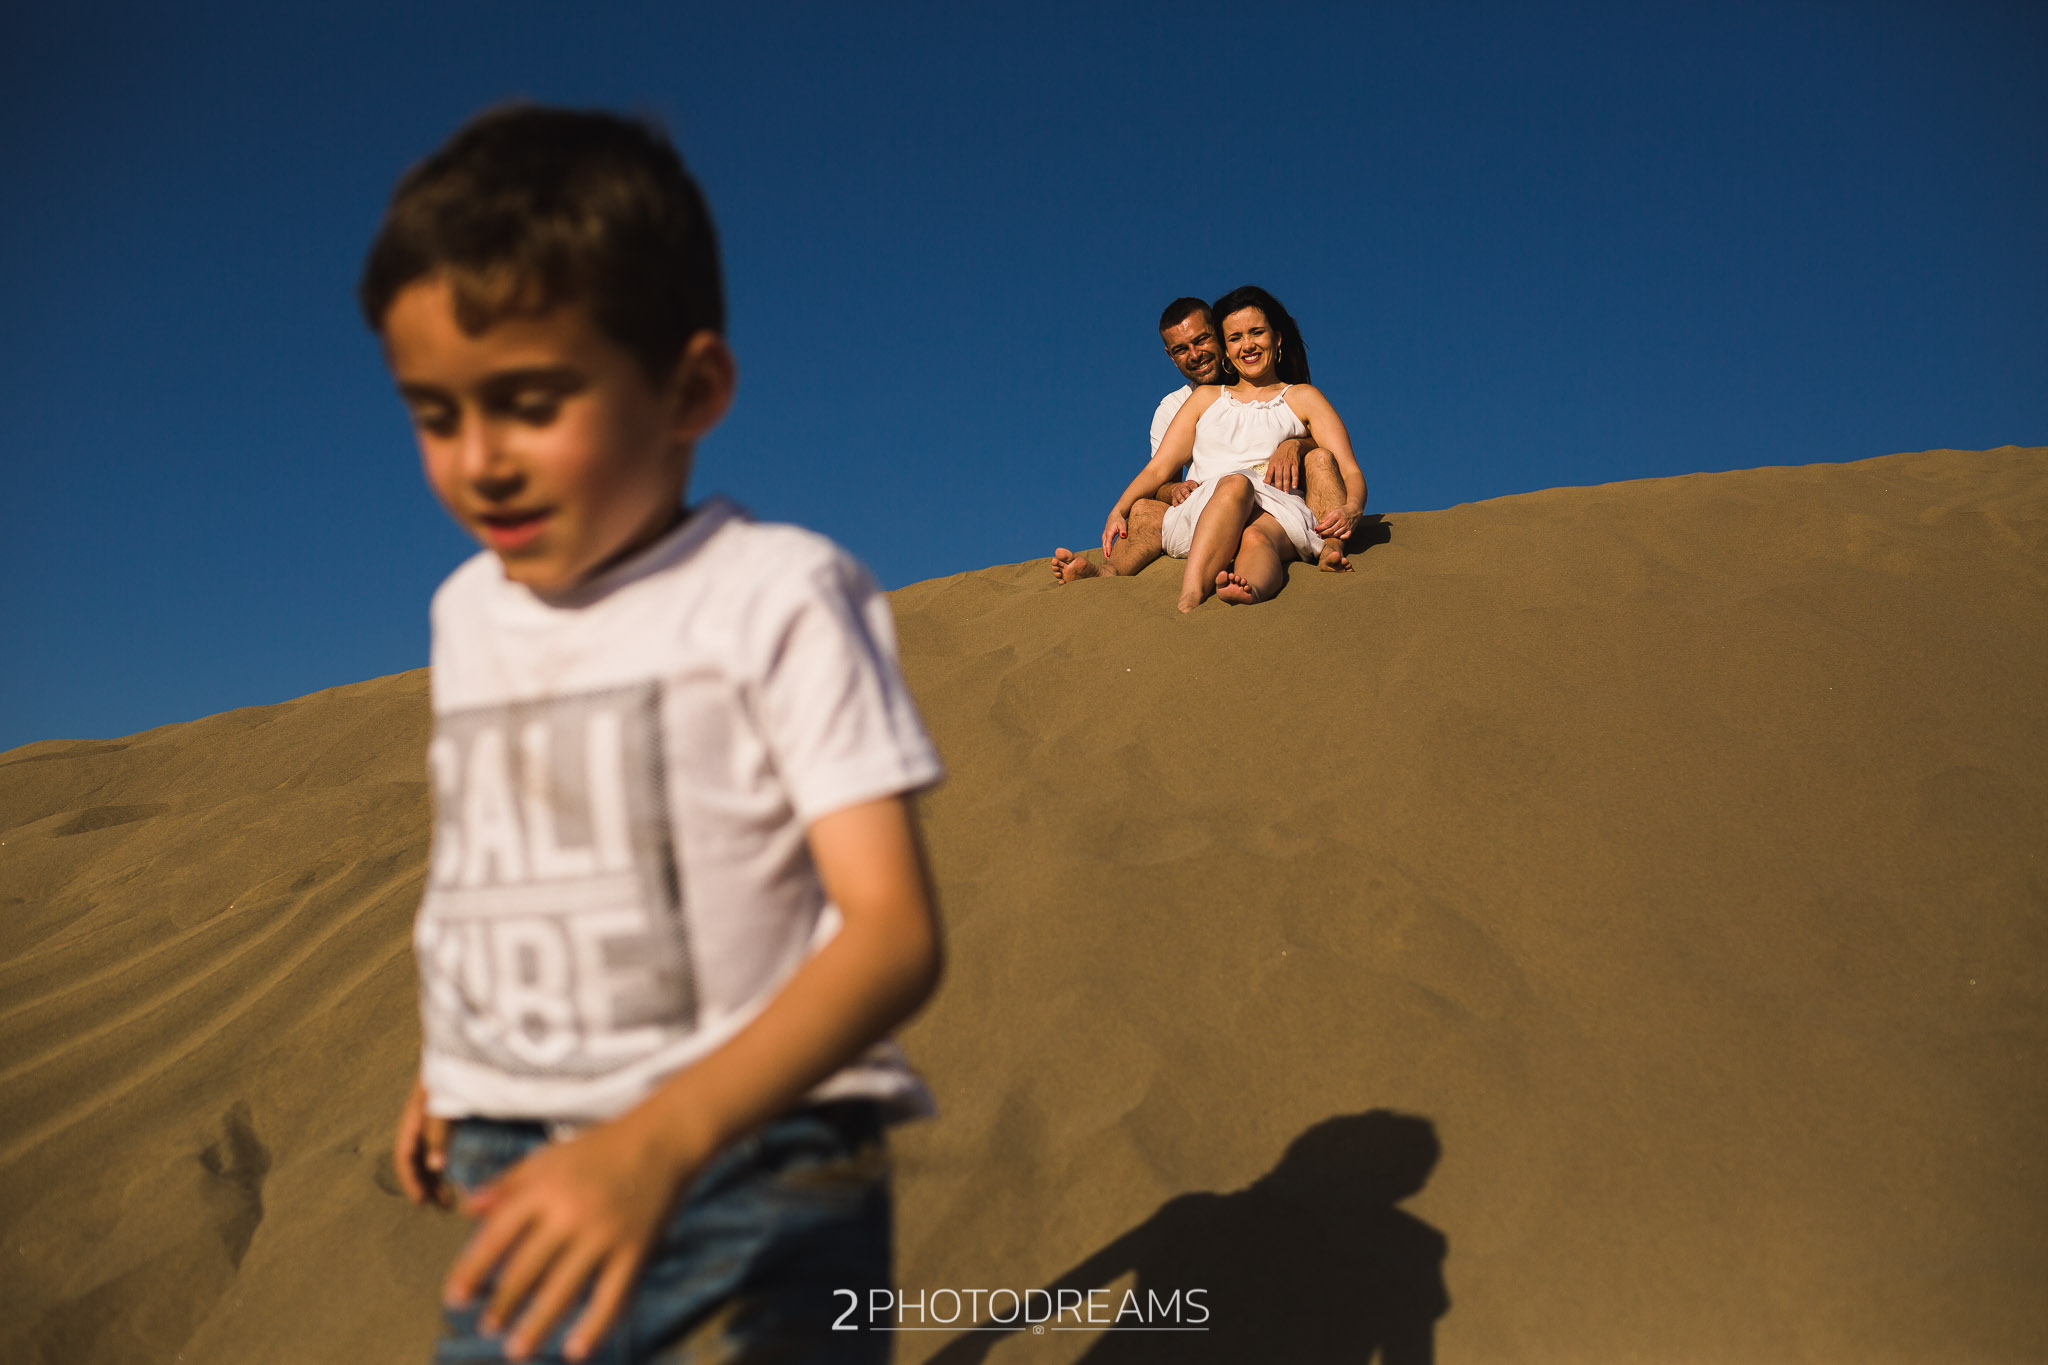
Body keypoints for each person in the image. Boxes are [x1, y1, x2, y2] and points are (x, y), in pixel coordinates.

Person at [363, 105, 944, 1364]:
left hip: (758, 1152)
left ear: (690, 390)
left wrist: (657, 1145)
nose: (478, 461)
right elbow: (491, 864)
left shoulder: (775, 595)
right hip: (518, 1154)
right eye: (434, 414)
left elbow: (893, 932)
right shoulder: (464, 612)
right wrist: (452, 1067)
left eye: (528, 403)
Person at [1052, 296, 1352, 584]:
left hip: (1272, 501)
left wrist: (1296, 444)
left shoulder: (1275, 385)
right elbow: (1160, 476)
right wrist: (1164, 494)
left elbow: (1328, 447)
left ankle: (1323, 549)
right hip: (1207, 502)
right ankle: (1108, 573)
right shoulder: (1175, 406)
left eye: (1201, 340)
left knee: (1318, 462)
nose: (1195, 354)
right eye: (1181, 349)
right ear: (1170, 356)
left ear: (1220, 337)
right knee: (1143, 508)